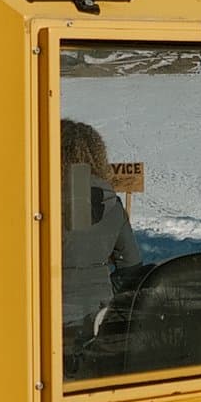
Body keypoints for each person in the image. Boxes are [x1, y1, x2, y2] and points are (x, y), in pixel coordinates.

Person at [60, 119, 143, 346]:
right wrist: (103, 287)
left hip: (41, 314)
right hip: (97, 317)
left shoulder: (37, 202)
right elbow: (131, 266)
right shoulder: (112, 204)